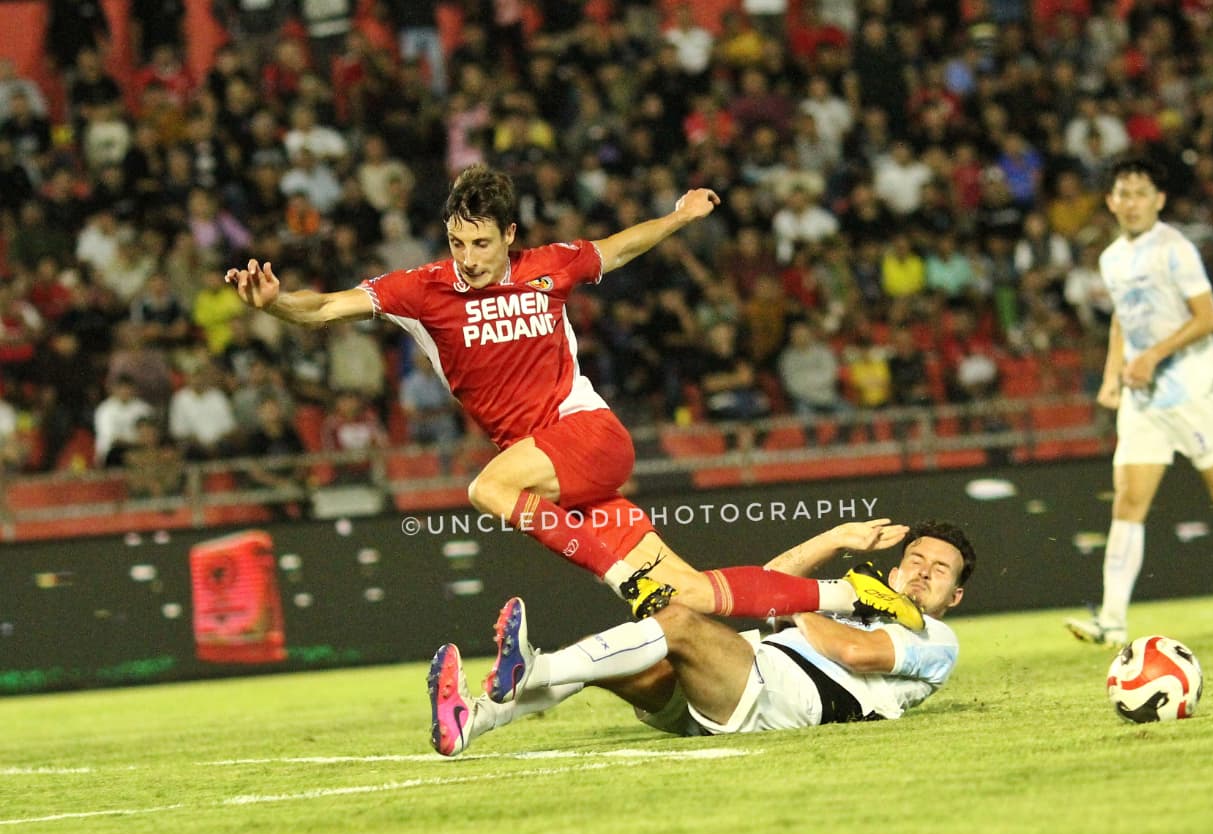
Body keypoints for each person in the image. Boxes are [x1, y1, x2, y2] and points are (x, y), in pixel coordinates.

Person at [226, 164, 914, 624]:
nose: (468, 257)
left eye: (482, 243)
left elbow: (620, 245)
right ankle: (850, 596)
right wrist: (275, 303)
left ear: (510, 236)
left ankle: (623, 582)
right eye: (458, 241)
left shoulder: (545, 269)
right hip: (559, 470)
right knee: (693, 596)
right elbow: (321, 311)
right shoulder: (419, 290)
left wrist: (677, 218)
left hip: (587, 435)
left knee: (485, 492)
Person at [426, 519, 976, 756]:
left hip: (792, 700)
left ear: (953, 595)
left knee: (677, 621)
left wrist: (805, 606)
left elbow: (854, 652)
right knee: (617, 662)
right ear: (896, 566)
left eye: (940, 570)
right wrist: (832, 541)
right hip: (743, 682)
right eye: (916, 560)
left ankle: (535, 669)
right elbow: (768, 582)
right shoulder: (857, 596)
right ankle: (474, 719)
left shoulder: (936, 635)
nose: (923, 573)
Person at [1066, 157, 1213, 647]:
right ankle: (1112, 621)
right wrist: (1113, 374)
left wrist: (1155, 355)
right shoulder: (1112, 258)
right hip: (1143, 397)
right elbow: (1123, 318)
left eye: (1142, 192)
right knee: (1129, 500)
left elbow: (1208, 317)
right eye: (1124, 193)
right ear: (1111, 201)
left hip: (1190, 390)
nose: (1132, 202)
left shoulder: (1175, 248)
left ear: (1158, 200)